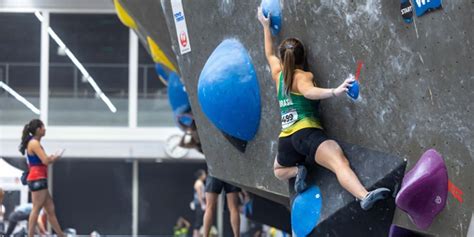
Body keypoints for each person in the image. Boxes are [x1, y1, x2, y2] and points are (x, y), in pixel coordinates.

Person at [257, 8, 390, 210]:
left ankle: (296, 171)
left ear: (283, 60)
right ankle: (363, 196)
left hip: (286, 140)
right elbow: (310, 93)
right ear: (303, 58)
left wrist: (265, 26)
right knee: (339, 162)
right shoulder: (303, 76)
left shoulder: (278, 74)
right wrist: (335, 91)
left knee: (277, 170)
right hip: (306, 135)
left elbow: (268, 53)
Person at [19, 119, 65, 236]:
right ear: (38, 130)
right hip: (37, 178)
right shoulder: (34, 143)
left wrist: (51, 157)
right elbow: (45, 160)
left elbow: (43, 159)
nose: (45, 129)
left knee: (50, 209)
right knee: (36, 208)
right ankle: (30, 235)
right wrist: (56, 156)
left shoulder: (34, 143)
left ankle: (60, 234)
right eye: (43, 127)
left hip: (39, 177)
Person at [193, 169, 207, 237]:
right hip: (199, 203)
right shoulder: (199, 183)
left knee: (200, 220)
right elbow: (199, 194)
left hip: (200, 203)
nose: (205, 175)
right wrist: (202, 204)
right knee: (198, 220)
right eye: (204, 174)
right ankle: (195, 235)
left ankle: (198, 235)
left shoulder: (200, 182)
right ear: (201, 175)